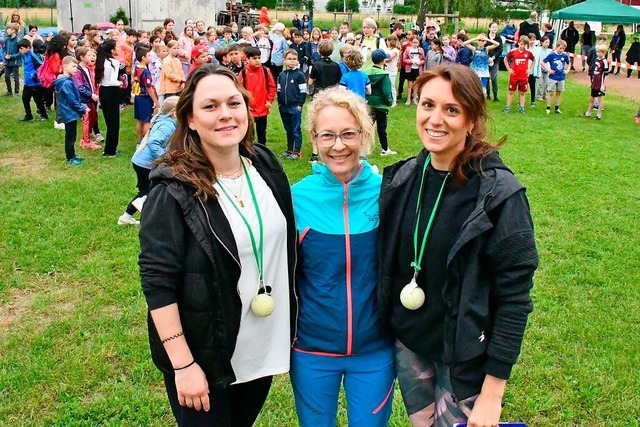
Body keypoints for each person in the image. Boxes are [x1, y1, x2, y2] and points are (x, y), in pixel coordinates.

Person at [377, 63, 538, 427]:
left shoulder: (500, 195)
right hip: (411, 344)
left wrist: (493, 394)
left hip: (465, 358)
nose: (436, 119)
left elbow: (514, 298)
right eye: (427, 105)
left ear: (471, 120)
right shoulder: (403, 178)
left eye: (452, 110)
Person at [139, 64, 296, 427]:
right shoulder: (172, 189)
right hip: (205, 356)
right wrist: (183, 363)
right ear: (190, 119)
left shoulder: (265, 165)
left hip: (260, 345)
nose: (225, 114)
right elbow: (157, 283)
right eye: (210, 107)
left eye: (233, 103)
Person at [290, 86, 395, 427]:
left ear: (365, 135)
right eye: (328, 136)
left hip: (375, 349)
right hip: (311, 349)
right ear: (313, 138)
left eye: (349, 134)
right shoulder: (296, 198)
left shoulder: (388, 193)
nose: (338, 146)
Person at [119, 96, 179, 225]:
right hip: (145, 164)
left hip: (140, 162)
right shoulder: (168, 125)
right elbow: (153, 143)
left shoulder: (162, 119)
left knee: (148, 190)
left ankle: (132, 215)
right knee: (150, 191)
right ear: (175, 113)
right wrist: (165, 157)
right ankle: (129, 216)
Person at [53, 56, 90, 166]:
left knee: (72, 135)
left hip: (70, 112)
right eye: (73, 66)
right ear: (65, 66)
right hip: (68, 113)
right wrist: (82, 108)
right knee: (70, 137)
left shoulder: (68, 80)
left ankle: (73, 155)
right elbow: (72, 100)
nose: (76, 69)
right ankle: (70, 158)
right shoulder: (66, 83)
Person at [238, 46, 277, 146]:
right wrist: (244, 104)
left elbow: (272, 86)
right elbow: (238, 90)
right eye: (254, 58)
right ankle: (250, 151)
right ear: (247, 59)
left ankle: (263, 151)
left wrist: (269, 101)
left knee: (262, 132)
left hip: (263, 107)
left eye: (259, 58)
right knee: (249, 133)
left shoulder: (265, 70)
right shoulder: (243, 72)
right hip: (249, 109)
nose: (257, 61)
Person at [95, 39, 124, 157]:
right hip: (111, 91)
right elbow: (112, 81)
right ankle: (110, 150)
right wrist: (120, 83)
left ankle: (109, 148)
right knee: (114, 123)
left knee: (109, 121)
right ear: (112, 50)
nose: (119, 49)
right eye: (117, 47)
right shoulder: (113, 62)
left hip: (103, 91)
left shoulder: (102, 60)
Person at [278, 49, 307, 159]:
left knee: (295, 130)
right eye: (289, 59)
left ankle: (297, 151)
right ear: (284, 60)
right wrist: (280, 104)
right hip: (284, 107)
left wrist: (300, 105)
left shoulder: (299, 75)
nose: (292, 61)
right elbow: (279, 89)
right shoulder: (282, 75)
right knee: (288, 129)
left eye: (294, 59)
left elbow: (303, 91)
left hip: (295, 107)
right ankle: (290, 149)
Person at [366, 49, 396, 156]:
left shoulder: (366, 72)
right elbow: (386, 91)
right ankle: (385, 149)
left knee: (367, 127)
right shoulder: (384, 75)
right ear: (383, 61)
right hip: (382, 106)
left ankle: (363, 148)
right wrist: (389, 102)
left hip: (369, 103)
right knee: (382, 129)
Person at [72, 46, 101, 149]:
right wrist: (90, 94)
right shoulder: (79, 70)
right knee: (87, 120)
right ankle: (85, 141)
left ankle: (87, 138)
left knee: (93, 118)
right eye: (88, 55)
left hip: (90, 97)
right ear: (81, 57)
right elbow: (79, 86)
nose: (91, 57)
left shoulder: (87, 68)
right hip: (84, 99)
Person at [17, 39, 48, 122]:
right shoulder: (25, 56)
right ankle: (28, 115)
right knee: (25, 99)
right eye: (19, 49)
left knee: (38, 101)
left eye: (21, 48)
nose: (20, 50)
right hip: (27, 83)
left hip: (35, 84)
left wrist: (34, 74)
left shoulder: (32, 55)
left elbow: (42, 66)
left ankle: (44, 115)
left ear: (28, 48)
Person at [132, 47, 159, 142]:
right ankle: (146, 141)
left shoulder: (137, 68)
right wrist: (155, 100)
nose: (150, 58)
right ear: (143, 58)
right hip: (145, 98)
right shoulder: (145, 71)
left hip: (138, 96)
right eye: (148, 56)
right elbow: (148, 87)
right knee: (147, 120)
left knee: (140, 120)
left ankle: (139, 141)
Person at [503, 36, 534, 114]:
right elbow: (505, 59)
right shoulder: (513, 52)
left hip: (523, 77)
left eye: (524, 45)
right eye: (521, 44)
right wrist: (509, 68)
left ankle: (521, 107)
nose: (522, 46)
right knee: (511, 91)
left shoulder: (528, 53)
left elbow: (534, 60)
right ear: (518, 43)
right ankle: (508, 107)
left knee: (522, 92)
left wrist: (530, 69)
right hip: (514, 76)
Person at [542, 39, 570, 115]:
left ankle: (557, 108)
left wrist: (567, 70)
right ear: (557, 47)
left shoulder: (564, 56)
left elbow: (569, 63)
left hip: (561, 77)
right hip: (553, 77)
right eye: (560, 48)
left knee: (559, 93)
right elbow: (542, 62)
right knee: (550, 92)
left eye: (563, 49)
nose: (561, 50)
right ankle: (548, 107)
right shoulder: (552, 55)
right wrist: (548, 69)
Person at [584, 45, 609, 121]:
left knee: (600, 99)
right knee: (591, 98)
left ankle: (599, 115)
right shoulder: (596, 60)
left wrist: (603, 85)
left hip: (600, 83)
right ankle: (588, 113)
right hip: (594, 82)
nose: (597, 53)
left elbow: (606, 74)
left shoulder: (604, 62)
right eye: (597, 52)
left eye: (598, 52)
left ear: (603, 52)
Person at [403, 37, 425, 105]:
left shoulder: (421, 50)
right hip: (410, 69)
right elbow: (404, 59)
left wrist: (420, 62)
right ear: (411, 42)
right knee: (410, 85)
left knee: (416, 85)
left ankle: (415, 98)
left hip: (418, 69)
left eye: (416, 42)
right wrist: (411, 61)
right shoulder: (408, 50)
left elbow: (423, 59)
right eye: (414, 42)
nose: (415, 44)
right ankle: (408, 99)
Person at [3, 23, 22, 97]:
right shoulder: (7, 39)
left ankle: (16, 92)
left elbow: (20, 53)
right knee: (7, 76)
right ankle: (9, 91)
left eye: (9, 29)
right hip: (7, 62)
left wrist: (11, 56)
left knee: (16, 77)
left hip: (15, 62)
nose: (7, 30)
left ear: (13, 30)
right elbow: (4, 49)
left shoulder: (18, 40)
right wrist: (5, 55)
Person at [487, 22, 503, 102]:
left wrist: (494, 57)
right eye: (493, 27)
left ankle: (495, 97)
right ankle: (488, 95)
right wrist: (487, 57)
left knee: (493, 78)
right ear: (489, 28)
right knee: (486, 78)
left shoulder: (498, 38)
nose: (495, 29)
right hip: (486, 61)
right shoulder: (486, 38)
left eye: (496, 27)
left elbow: (500, 50)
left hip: (495, 61)